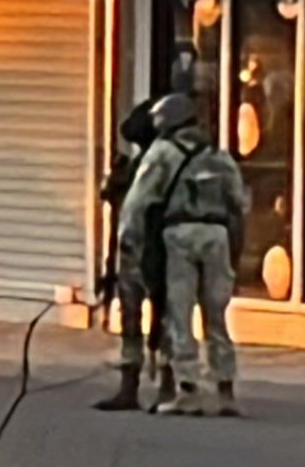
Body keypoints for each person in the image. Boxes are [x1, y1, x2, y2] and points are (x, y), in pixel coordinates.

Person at [119, 92, 247, 418]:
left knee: (180, 313)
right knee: (216, 314)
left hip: (178, 233)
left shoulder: (162, 152)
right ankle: (225, 390)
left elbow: (138, 201)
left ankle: (188, 390)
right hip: (217, 234)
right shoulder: (217, 154)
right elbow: (239, 201)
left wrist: (128, 238)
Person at [95, 98, 172, 412]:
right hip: (134, 247)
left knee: (162, 318)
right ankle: (134, 385)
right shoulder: (141, 163)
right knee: (135, 317)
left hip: (157, 245)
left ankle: (164, 384)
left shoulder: (164, 161)